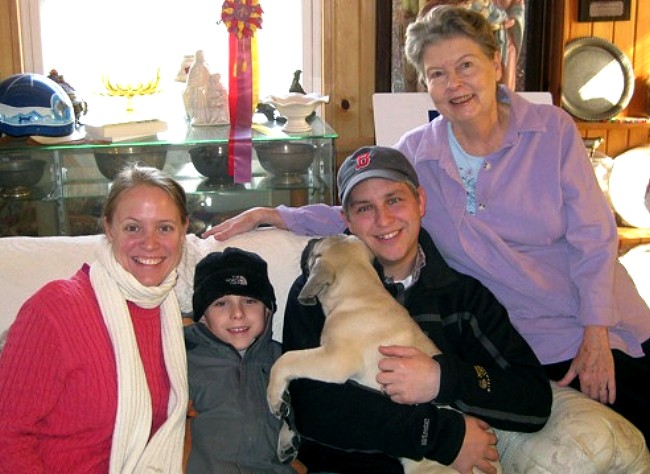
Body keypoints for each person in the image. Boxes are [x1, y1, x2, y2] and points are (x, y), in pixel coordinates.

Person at [203, 5, 650, 442]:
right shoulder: (419, 151)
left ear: (496, 62)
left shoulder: (551, 130)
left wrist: (596, 332)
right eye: (437, 73)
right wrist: (275, 214)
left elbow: (594, 236)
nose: (454, 83)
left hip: (596, 320)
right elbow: (367, 209)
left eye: (466, 65)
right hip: (527, 339)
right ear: (426, 85)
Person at [282, 146, 551, 473]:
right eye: (365, 208)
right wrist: (437, 434)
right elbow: (312, 405)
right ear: (346, 220)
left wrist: (442, 378)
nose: (383, 220)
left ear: (420, 202)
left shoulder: (461, 298)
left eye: (394, 200)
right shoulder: (318, 288)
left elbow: (533, 400)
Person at [0, 164, 190, 472]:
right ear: (109, 228)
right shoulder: (53, 310)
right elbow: (7, 437)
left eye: (164, 227)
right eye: (133, 227)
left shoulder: (169, 315)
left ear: (183, 231)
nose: (150, 243)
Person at [184, 247, 298, 473]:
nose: (237, 313)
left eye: (249, 301)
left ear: (268, 309)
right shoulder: (183, 358)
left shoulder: (287, 362)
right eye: (221, 303)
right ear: (203, 316)